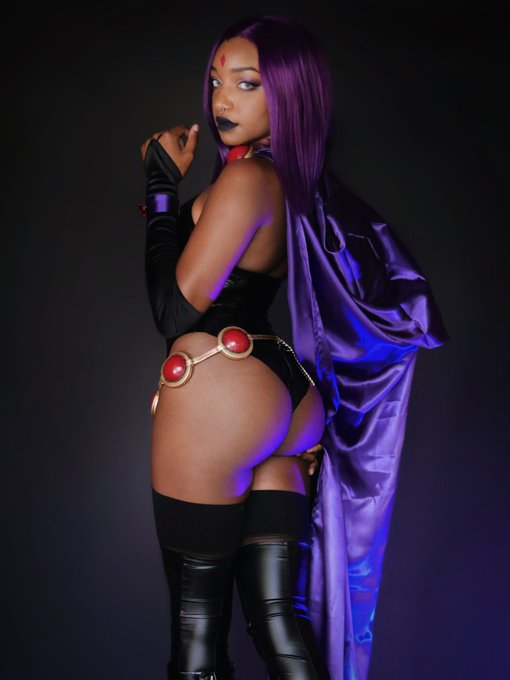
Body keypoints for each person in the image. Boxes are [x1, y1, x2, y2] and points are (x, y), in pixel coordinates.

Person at [140, 14, 449, 680]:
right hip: (286, 400)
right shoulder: (296, 180)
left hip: (224, 397)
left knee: (197, 631)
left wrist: (161, 187)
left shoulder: (247, 182)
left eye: (246, 83)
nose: (222, 99)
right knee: (278, 621)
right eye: (217, 81)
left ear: (289, 92)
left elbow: (173, 311)